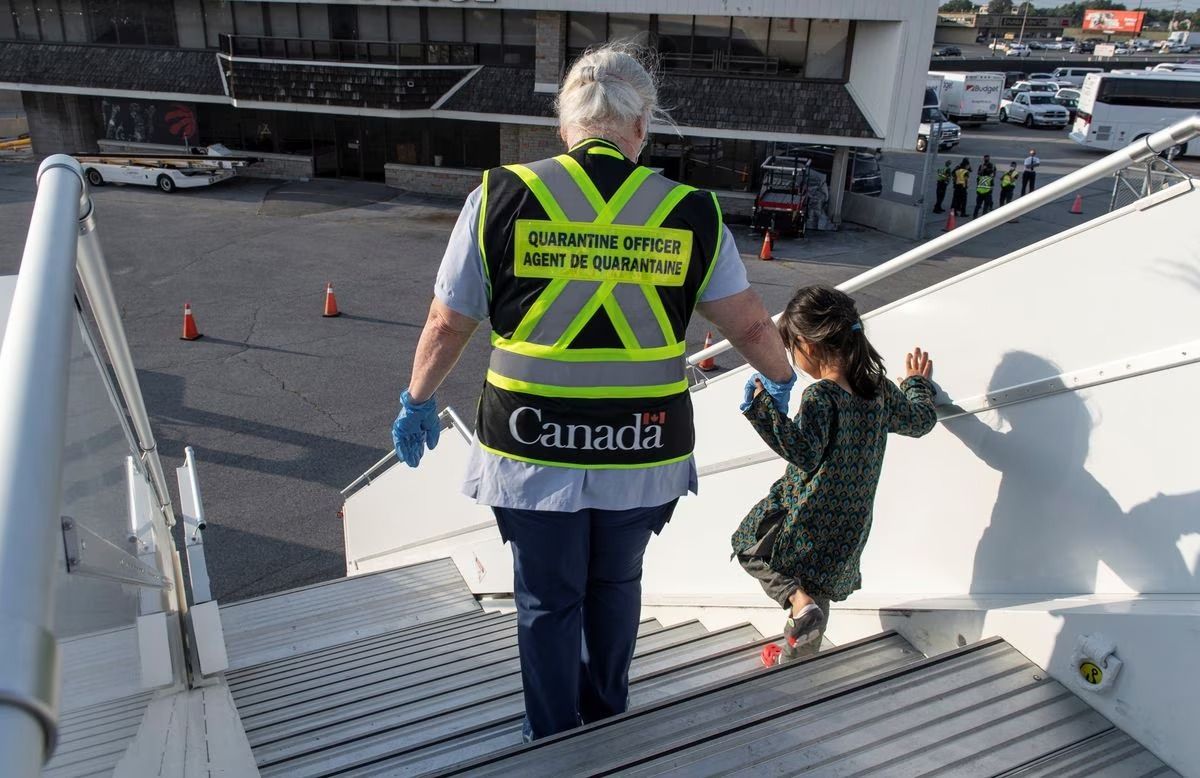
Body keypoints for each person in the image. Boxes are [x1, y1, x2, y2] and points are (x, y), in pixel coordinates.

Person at [391, 43, 795, 742]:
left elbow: (446, 321)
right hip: (641, 447)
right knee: (615, 587)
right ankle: (607, 716)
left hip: (529, 444)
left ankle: (550, 734)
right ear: (641, 129)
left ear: (565, 126)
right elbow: (752, 324)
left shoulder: (499, 195)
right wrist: (783, 378)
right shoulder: (691, 210)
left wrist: (419, 399)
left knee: (548, 599)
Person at [732, 285, 938, 663]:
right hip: (850, 525)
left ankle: (796, 600)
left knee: (748, 545)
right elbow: (920, 421)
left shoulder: (821, 396)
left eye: (791, 348)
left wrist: (762, 407)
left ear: (808, 347)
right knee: (818, 590)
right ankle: (797, 658)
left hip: (808, 514)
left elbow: (804, 452)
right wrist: (917, 384)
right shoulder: (877, 390)